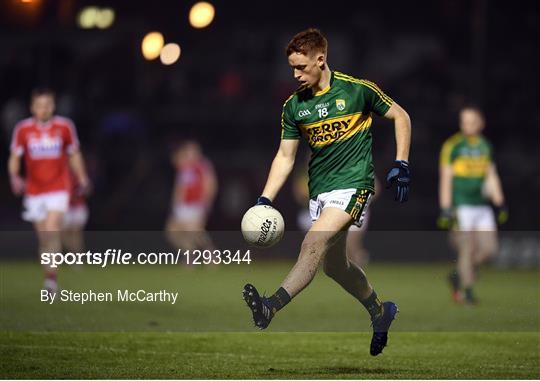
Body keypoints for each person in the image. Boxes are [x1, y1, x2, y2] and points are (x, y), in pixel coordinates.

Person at [242, 28, 412, 356]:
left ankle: (270, 307)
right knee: (335, 267)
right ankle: (380, 311)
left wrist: (401, 162)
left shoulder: (357, 91)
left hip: (354, 185)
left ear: (321, 60)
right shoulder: (293, 106)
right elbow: (285, 156)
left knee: (313, 242)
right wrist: (265, 199)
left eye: (301, 67)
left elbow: (400, 116)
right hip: (319, 193)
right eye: (292, 67)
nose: (295, 74)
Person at [8, 88, 90, 294]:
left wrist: (82, 177)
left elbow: (74, 154)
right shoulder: (23, 129)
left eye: (48, 105)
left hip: (59, 187)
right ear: (32, 107)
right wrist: (14, 176)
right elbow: (15, 156)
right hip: (34, 190)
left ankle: (50, 282)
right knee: (45, 237)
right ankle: (50, 274)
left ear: (53, 106)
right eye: (40, 105)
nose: (44, 109)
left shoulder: (64, 126)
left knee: (53, 228)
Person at [438, 105, 507, 305]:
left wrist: (500, 202)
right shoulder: (453, 145)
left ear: (481, 123)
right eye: (464, 121)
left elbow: (491, 175)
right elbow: (446, 178)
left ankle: (457, 274)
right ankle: (466, 291)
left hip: (482, 207)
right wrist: (445, 208)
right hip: (461, 206)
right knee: (466, 249)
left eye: (471, 121)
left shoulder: (485, 146)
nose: (467, 125)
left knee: (489, 250)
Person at [165, 140, 218, 252]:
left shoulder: (202, 166)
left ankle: (211, 255)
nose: (191, 154)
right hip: (182, 205)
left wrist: (206, 203)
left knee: (195, 232)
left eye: (193, 151)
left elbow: (210, 184)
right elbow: (180, 187)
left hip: (196, 205)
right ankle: (190, 253)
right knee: (172, 232)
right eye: (188, 151)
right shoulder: (185, 167)